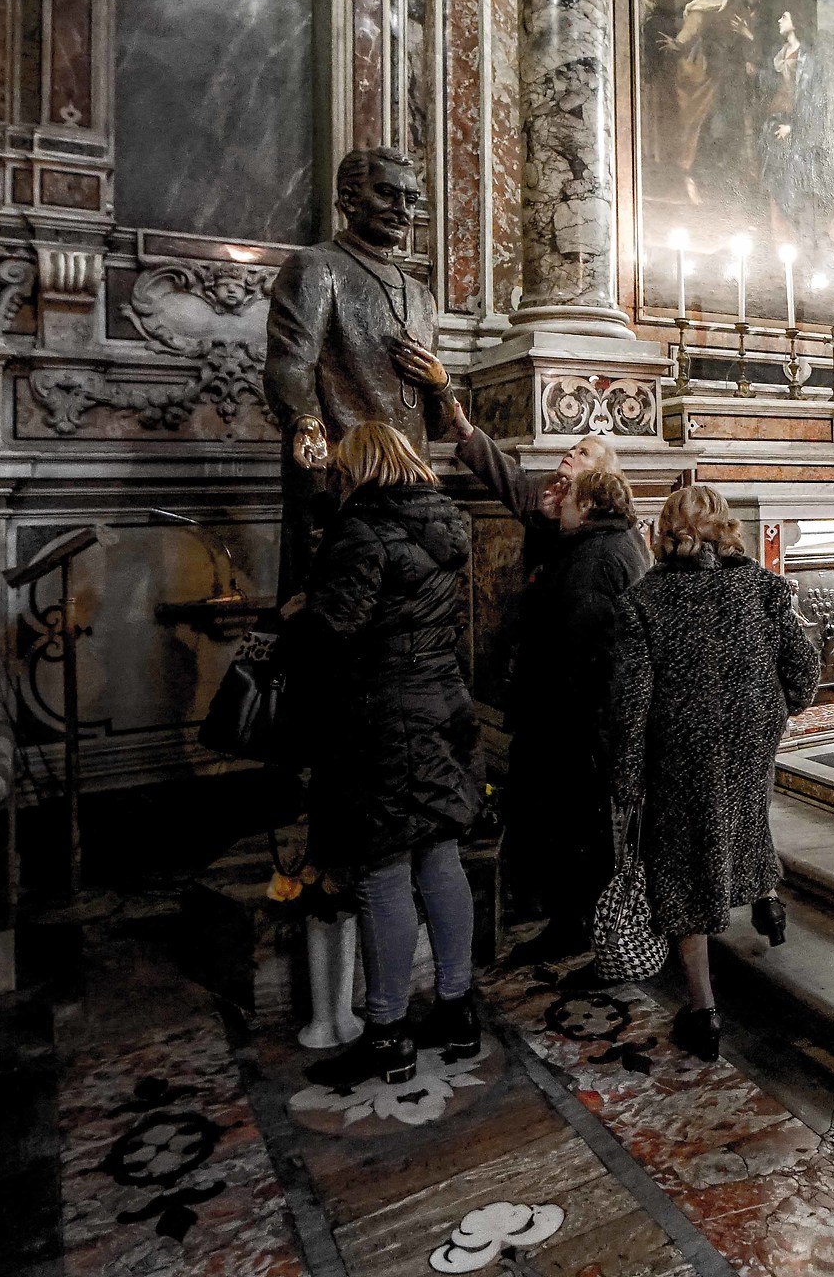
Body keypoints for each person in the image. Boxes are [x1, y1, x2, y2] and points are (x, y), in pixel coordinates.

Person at [281, 422, 481, 1090]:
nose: (336, 481)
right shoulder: (444, 523)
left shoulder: (362, 529)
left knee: (383, 871)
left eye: (339, 472)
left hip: (386, 717)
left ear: (359, 469)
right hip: (445, 704)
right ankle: (456, 1007)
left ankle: (388, 1033)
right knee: (441, 855)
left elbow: (337, 627)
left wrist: (294, 621)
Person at [608, 485, 819, 1061]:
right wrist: (783, 706)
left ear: (663, 532)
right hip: (752, 734)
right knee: (746, 815)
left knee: (679, 865)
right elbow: (804, 667)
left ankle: (702, 1012)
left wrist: (626, 784)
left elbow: (631, 705)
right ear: (726, 528)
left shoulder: (644, 601)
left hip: (678, 747)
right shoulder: (765, 587)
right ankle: (766, 902)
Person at [442, 396, 650, 966]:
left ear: (597, 486)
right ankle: (566, 916)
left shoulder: (597, 547)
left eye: (582, 452)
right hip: (557, 710)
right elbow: (511, 484)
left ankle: (581, 925)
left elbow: (588, 647)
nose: (568, 452)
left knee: (574, 825)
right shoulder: (570, 527)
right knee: (555, 824)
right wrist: (466, 433)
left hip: (573, 718)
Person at [263, 146, 450, 593]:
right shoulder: (316, 267)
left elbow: (439, 425)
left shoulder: (422, 298)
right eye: (387, 194)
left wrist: (440, 386)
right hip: (340, 487)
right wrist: (306, 423)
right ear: (349, 198)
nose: (402, 210)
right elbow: (290, 364)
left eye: (410, 200)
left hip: (411, 497)